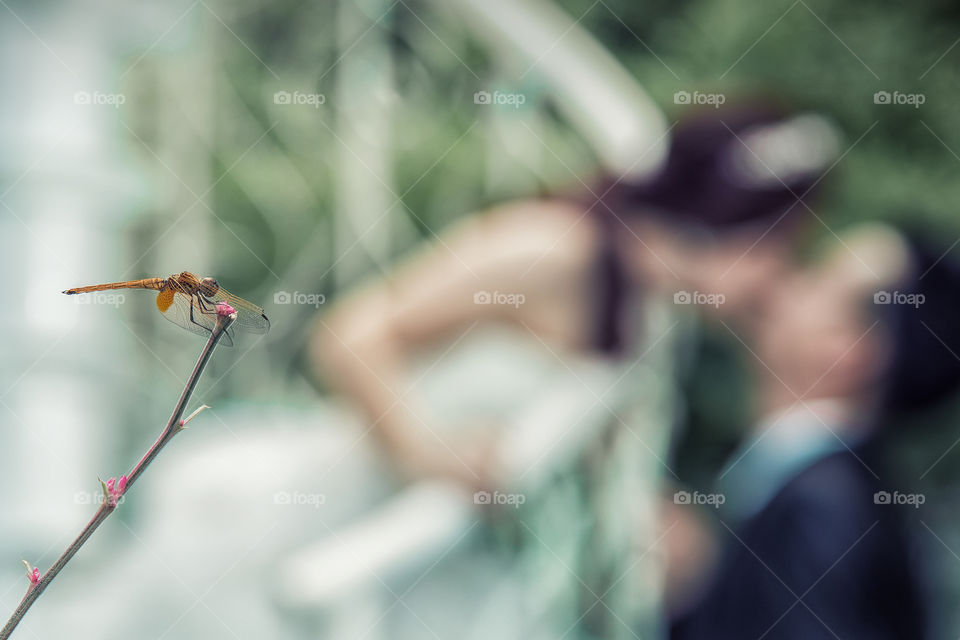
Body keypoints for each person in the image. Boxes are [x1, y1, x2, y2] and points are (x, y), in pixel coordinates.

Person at [310, 102, 839, 638]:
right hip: (343, 510)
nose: (780, 277)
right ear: (730, 226)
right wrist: (426, 450)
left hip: (445, 560)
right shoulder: (553, 248)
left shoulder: (650, 299)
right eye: (782, 248)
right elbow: (351, 334)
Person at [668, 222, 960, 639]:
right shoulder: (816, 496)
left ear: (848, 351)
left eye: (817, 274)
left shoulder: (824, 512)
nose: (785, 279)